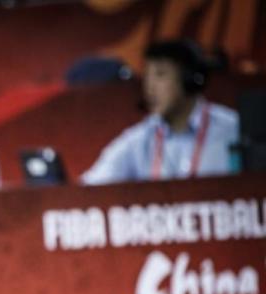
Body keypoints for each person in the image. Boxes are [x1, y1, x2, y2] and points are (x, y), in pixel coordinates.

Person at [82, 39, 239, 185]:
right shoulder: (139, 139)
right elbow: (90, 188)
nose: (149, 87)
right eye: (147, 76)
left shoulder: (233, 129)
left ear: (190, 80)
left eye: (160, 74)